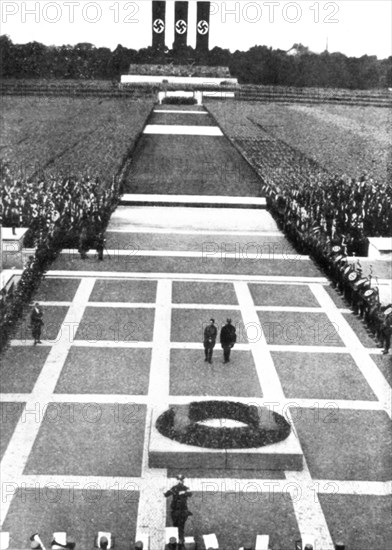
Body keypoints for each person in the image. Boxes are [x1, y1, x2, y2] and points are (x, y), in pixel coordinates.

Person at [164, 475, 192, 543]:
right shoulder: (185, 488)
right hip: (182, 511)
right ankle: (180, 541)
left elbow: (166, 494)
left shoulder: (175, 488)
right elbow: (190, 493)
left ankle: (177, 541)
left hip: (177, 511)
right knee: (180, 527)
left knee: (176, 526)